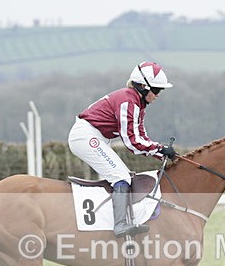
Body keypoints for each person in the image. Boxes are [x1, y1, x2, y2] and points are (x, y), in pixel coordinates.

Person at [68, 62, 177, 236]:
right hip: (86, 136)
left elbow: (141, 137)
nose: (158, 95)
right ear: (143, 86)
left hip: (96, 137)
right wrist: (161, 149)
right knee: (121, 176)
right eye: (156, 90)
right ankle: (119, 225)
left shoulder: (137, 104)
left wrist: (161, 153)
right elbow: (133, 142)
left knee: (122, 176)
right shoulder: (128, 101)